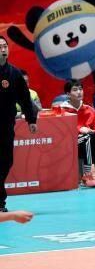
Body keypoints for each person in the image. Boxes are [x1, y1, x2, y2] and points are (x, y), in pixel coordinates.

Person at [0, 35, 38, 213]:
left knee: (7, 161)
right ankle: (1, 202)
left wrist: (31, 119)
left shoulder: (14, 74)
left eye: (5, 46)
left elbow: (25, 98)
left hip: (6, 125)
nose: (3, 49)